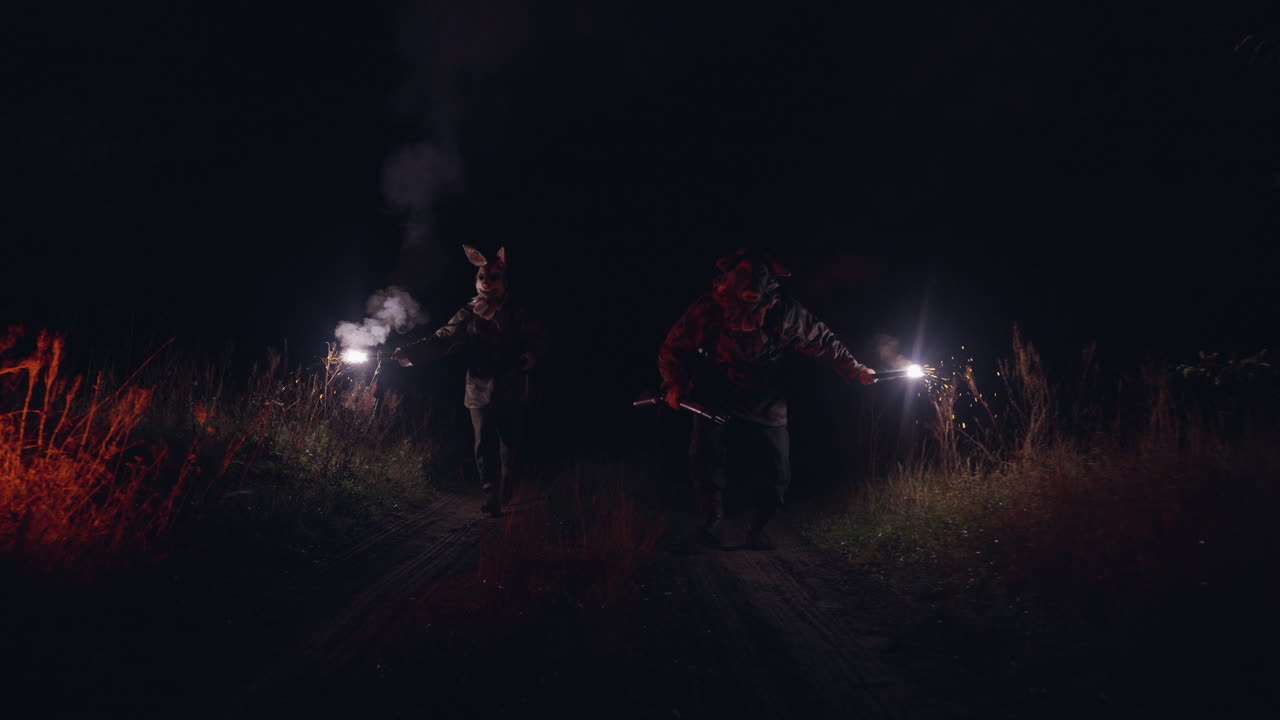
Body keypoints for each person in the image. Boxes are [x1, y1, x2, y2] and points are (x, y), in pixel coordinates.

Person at [658, 248, 875, 550]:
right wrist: (675, 384)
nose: (752, 282)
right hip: (716, 390)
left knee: (777, 470)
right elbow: (673, 348)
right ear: (728, 278)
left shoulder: (783, 311)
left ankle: (759, 528)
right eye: (743, 274)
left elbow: (822, 340)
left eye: (760, 274)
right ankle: (712, 522)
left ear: (770, 280)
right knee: (705, 456)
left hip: (766, 393)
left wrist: (855, 369)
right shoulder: (708, 309)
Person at [393, 245, 550, 516]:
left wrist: (532, 355)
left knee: (510, 442)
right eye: (482, 277)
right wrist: (411, 352)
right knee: (482, 442)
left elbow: (540, 337)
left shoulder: (515, 311)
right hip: (478, 385)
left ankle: (507, 481)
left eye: (493, 278)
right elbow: (443, 337)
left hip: (510, 384)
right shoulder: (469, 311)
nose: (487, 282)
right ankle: (490, 493)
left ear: (503, 281)